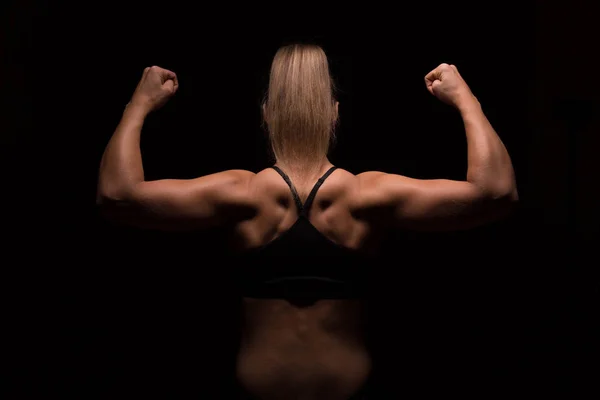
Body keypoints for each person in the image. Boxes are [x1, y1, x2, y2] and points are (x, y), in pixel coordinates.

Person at [97, 44, 518, 399]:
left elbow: (117, 194)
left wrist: (139, 106)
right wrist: (467, 101)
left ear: (267, 114)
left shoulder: (243, 194)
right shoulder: (363, 195)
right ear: (334, 114)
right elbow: (496, 191)